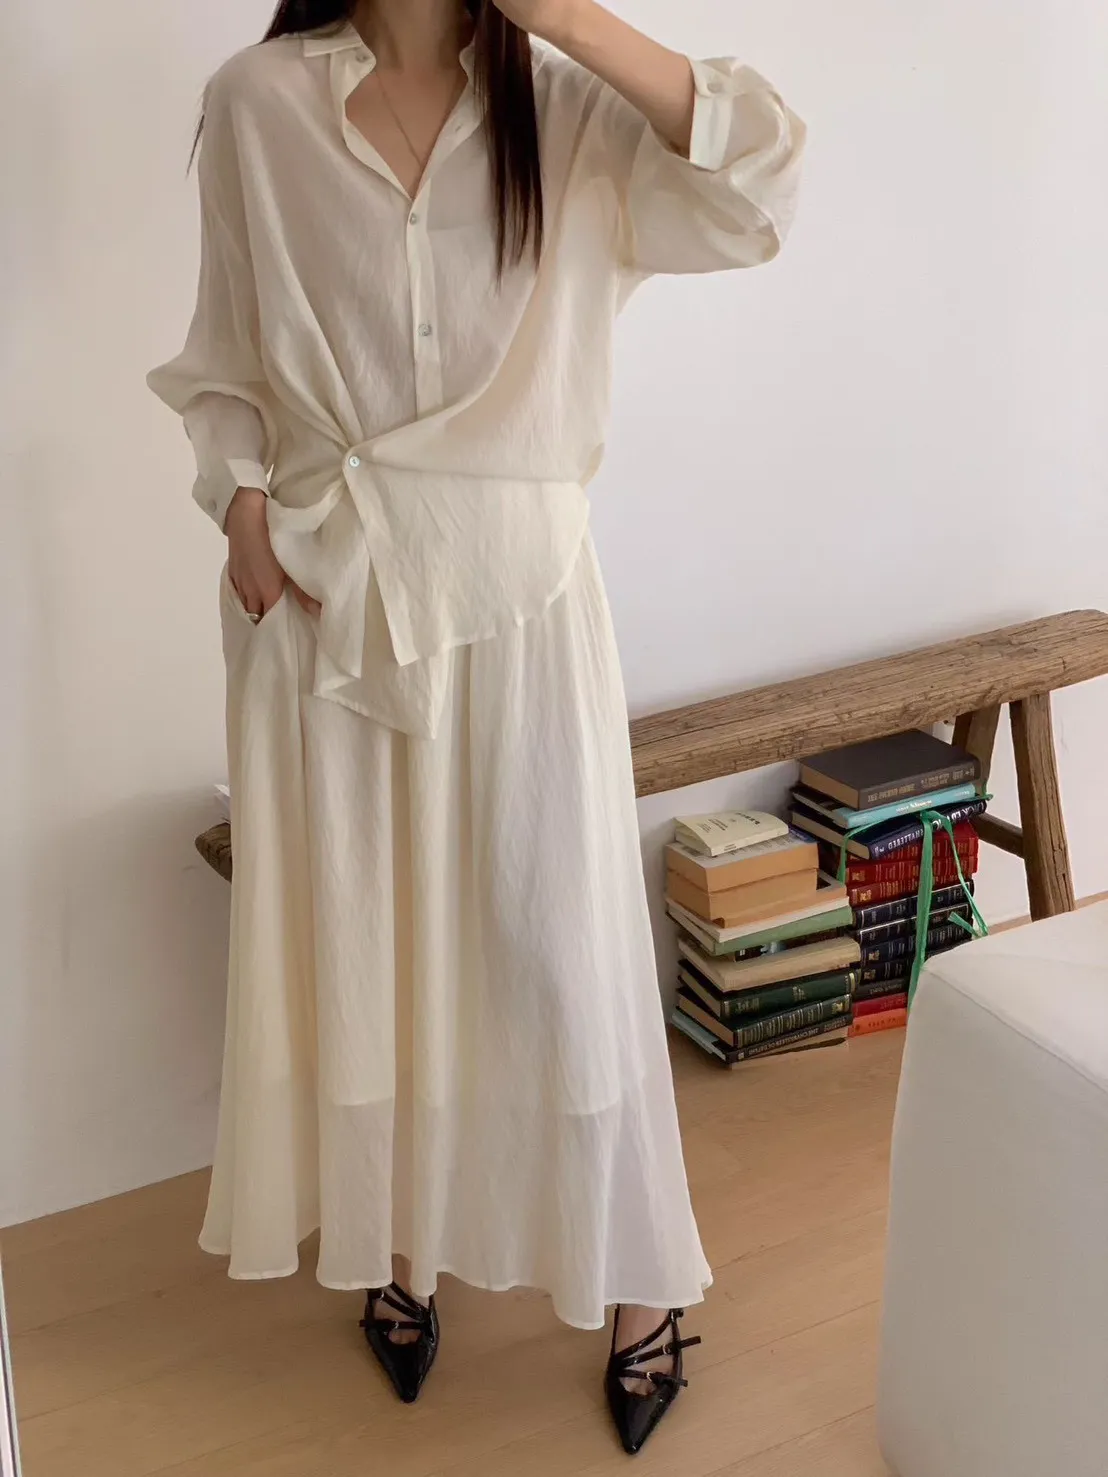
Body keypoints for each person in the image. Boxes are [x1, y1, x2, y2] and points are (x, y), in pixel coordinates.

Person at [148, 0, 803, 1454]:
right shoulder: (258, 101)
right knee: (369, 939)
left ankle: (638, 1280)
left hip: (519, 601)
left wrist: (564, 17)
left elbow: (760, 182)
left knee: (563, 954)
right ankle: (401, 1243)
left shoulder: (567, 109)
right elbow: (227, 354)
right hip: (325, 600)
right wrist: (241, 506)